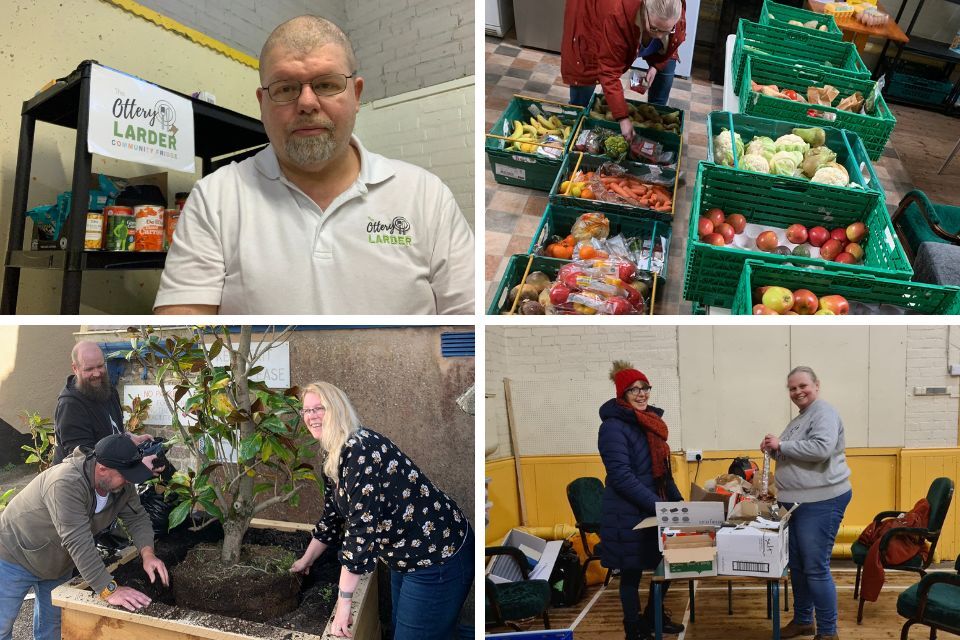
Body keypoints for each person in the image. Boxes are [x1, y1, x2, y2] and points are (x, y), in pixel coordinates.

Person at [154, 16, 474, 315]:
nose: (307, 103)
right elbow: (184, 336)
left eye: (326, 84)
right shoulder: (215, 198)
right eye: (285, 89)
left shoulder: (426, 196)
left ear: (356, 94)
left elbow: (470, 319)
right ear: (262, 103)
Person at [288, 382, 473, 639]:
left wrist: (344, 605)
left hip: (438, 555)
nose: (311, 416)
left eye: (320, 408)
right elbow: (332, 518)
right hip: (405, 556)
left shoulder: (359, 451)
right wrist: (305, 561)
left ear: (338, 409)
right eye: (306, 411)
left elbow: (359, 532)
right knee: (412, 630)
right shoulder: (334, 455)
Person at [0, 434, 170, 640]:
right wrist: (110, 590)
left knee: (54, 626)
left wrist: (147, 553)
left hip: (57, 561)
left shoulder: (121, 483)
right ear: (102, 469)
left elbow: (137, 518)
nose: (128, 480)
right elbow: (79, 542)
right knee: (2, 624)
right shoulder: (65, 483)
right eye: (124, 475)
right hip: (13, 554)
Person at [761, 366, 852, 640]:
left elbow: (821, 448)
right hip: (797, 504)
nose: (798, 392)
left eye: (803, 386)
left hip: (821, 501)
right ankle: (803, 621)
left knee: (815, 567)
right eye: (792, 388)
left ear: (816, 385)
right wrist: (774, 450)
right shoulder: (801, 418)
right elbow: (795, 457)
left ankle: (827, 632)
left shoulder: (823, 412)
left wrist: (782, 446)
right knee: (798, 567)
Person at [599, 361, 685, 640]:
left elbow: (663, 474)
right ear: (621, 394)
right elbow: (622, 477)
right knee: (632, 572)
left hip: (652, 508)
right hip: (626, 513)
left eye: (644, 388)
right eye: (633, 389)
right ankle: (634, 627)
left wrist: (681, 506)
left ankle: (653, 616)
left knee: (667, 564)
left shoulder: (651, 424)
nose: (641, 394)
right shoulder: (613, 427)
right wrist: (661, 507)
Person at [561, 0, 686, 139]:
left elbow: (674, 38)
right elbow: (609, 70)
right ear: (644, 9)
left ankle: (656, 122)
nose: (659, 36)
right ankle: (579, 123)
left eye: (668, 30)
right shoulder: (617, 12)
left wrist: (656, 66)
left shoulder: (674, 7)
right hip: (594, 12)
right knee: (586, 61)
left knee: (667, 61)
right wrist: (623, 118)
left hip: (635, 18)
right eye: (654, 29)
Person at [53, 341, 153, 464]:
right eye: (89, 369)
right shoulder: (70, 406)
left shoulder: (106, 388)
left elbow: (113, 430)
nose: (96, 374)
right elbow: (83, 460)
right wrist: (136, 465)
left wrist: (130, 439)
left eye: (100, 366)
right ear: (75, 368)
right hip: (81, 480)